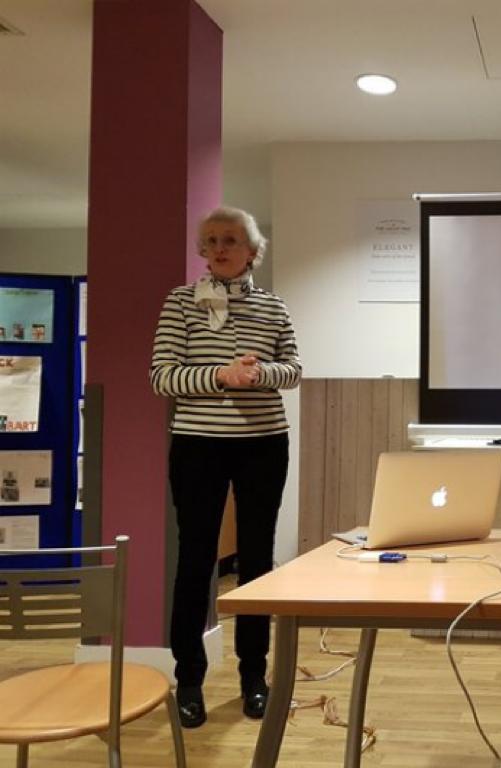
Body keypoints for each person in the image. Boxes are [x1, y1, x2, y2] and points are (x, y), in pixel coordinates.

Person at [150, 206, 301, 728]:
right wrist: (220, 375)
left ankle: (253, 677)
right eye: (211, 239)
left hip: (263, 444)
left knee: (258, 563)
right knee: (195, 560)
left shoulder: (274, 307)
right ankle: (188, 678)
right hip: (197, 445)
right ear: (202, 250)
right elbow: (163, 378)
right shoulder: (180, 303)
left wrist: (256, 375)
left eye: (231, 239)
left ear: (253, 251)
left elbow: (294, 370)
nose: (219, 247)